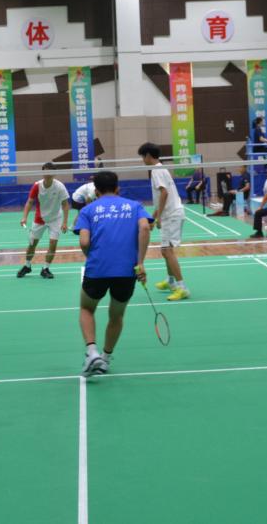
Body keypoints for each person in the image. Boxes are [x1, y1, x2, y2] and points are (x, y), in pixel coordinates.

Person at [74, 170, 151, 376]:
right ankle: (106, 359)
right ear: (118, 188)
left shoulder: (88, 210)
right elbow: (145, 228)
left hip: (97, 269)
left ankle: (92, 352)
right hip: (127, 271)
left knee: (87, 308)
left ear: (96, 191)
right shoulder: (135, 206)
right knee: (116, 315)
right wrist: (140, 263)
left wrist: (92, 256)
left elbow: (84, 241)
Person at [139, 142, 190, 301]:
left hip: (171, 215)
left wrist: (159, 217)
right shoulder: (160, 169)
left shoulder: (157, 171)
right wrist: (153, 217)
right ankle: (171, 281)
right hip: (170, 213)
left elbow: (164, 193)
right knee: (165, 250)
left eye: (143, 156)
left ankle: (182, 288)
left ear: (148, 155)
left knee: (167, 251)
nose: (142, 160)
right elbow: (160, 198)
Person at [17, 162, 70, 279]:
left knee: (53, 244)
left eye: (50, 172)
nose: (48, 174)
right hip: (40, 219)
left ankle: (45, 268)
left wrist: (65, 222)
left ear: (54, 173)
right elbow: (29, 202)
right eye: (46, 171)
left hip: (55, 219)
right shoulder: (37, 186)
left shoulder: (60, 186)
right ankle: (27, 266)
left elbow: (65, 204)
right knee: (32, 244)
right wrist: (24, 217)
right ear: (43, 172)